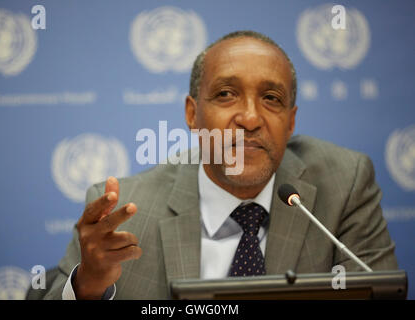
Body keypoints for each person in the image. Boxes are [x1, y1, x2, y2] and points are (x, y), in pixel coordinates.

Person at [42, 30, 398, 300]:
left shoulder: (345, 184)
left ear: (290, 123)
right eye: (226, 94)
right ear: (192, 114)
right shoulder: (126, 211)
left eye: (271, 99)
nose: (249, 117)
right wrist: (88, 283)